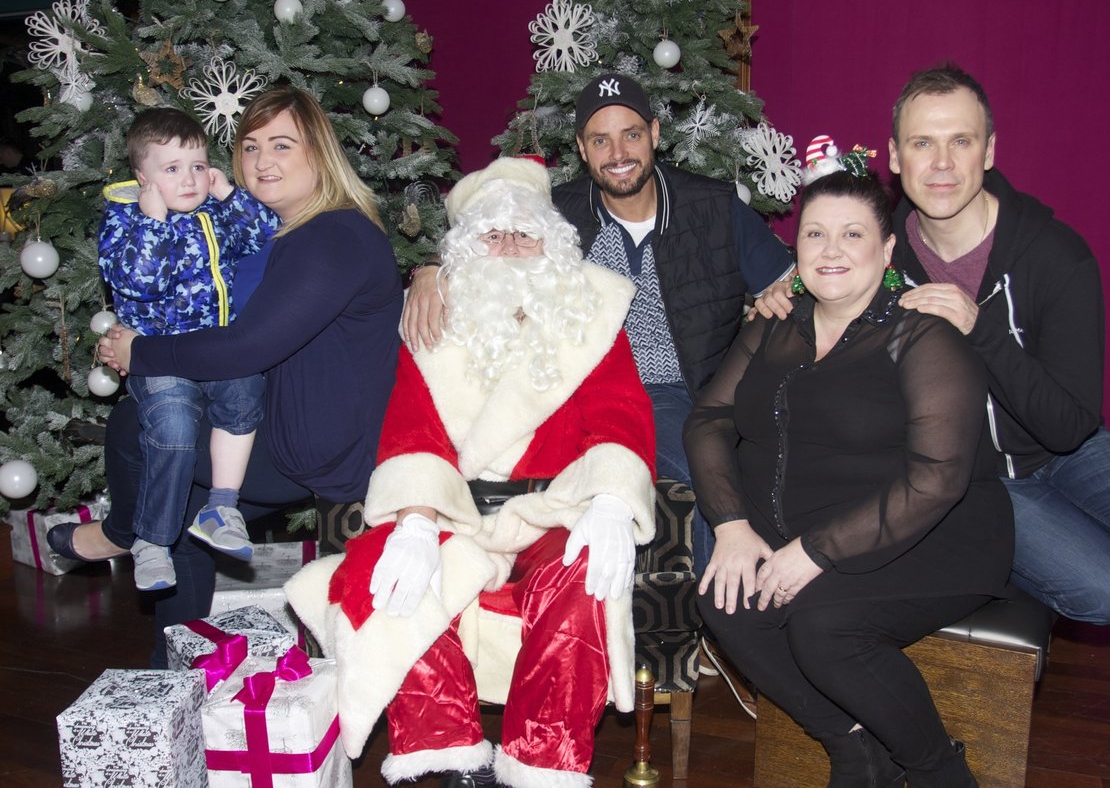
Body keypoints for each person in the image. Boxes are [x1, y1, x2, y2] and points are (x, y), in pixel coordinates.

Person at [286, 157, 657, 788]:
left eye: (525, 235)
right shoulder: (431, 313)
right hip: (456, 508)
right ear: (468, 246)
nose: (510, 249)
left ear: (551, 244)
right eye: (494, 235)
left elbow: (619, 413)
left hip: (550, 509)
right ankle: (450, 757)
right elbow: (413, 426)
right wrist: (415, 521)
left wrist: (612, 502)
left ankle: (542, 763)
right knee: (388, 577)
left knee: (581, 572)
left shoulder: (589, 312)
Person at [686, 155, 1013, 787]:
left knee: (825, 625)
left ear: (887, 249)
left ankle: (938, 770)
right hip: (819, 522)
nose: (831, 250)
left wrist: (815, 552)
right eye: (814, 233)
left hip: (934, 532)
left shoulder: (922, 337)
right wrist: (730, 525)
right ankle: (854, 746)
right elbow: (708, 420)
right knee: (722, 599)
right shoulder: (773, 324)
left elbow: (938, 478)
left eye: (852, 234)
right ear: (797, 246)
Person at [50, 86, 403, 663]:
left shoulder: (332, 236)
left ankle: (119, 532)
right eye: (250, 146)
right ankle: (184, 681)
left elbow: (246, 346)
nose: (262, 162)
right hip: (285, 418)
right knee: (185, 519)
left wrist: (144, 354)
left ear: (319, 153)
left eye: (282, 145)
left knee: (136, 426)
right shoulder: (290, 231)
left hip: (314, 446)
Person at [403, 73, 795, 574]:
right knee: (711, 476)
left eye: (631, 134)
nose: (618, 153)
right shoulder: (561, 213)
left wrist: (785, 295)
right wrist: (432, 269)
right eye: (600, 140)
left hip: (706, 388)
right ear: (583, 150)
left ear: (654, 133)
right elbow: (485, 230)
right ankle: (726, 616)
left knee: (765, 471)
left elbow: (792, 284)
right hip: (608, 387)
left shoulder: (714, 207)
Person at [886, 62, 1110, 777]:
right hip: (980, 480)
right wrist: (788, 285)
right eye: (922, 144)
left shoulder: (1054, 255)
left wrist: (979, 327)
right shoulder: (880, 257)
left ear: (990, 151)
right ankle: (995, 561)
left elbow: (1069, 423)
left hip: (1068, 448)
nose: (940, 164)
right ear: (894, 155)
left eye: (959, 142)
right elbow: (812, 274)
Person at [98, 107, 279, 591]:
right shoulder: (126, 221)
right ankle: (151, 541)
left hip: (216, 348)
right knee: (174, 427)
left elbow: (267, 234)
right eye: (172, 169)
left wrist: (229, 195)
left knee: (245, 394)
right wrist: (153, 223)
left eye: (198, 166)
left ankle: (222, 506)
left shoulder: (216, 214)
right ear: (143, 178)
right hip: (159, 356)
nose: (190, 179)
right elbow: (138, 282)